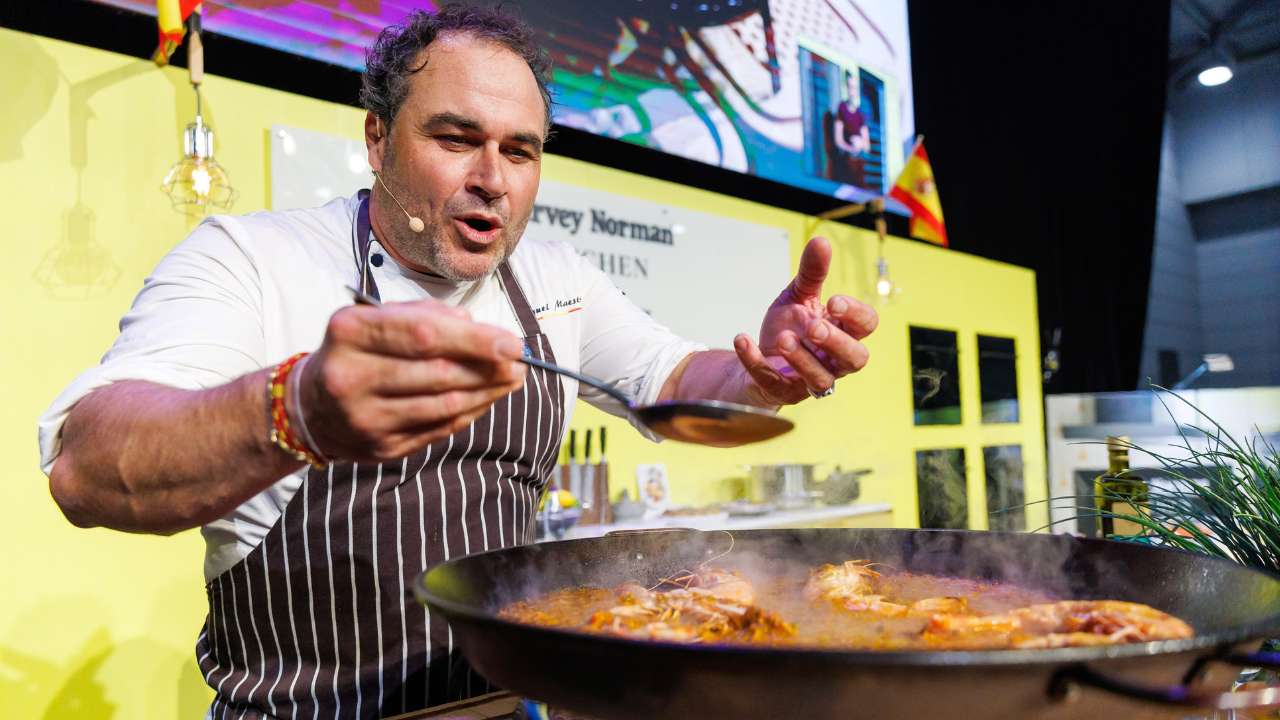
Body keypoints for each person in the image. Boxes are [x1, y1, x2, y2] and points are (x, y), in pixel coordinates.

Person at [38, 5, 878, 718]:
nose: (493, 180)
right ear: (376, 136)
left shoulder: (554, 280)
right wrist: (297, 411)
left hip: (501, 707)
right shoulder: (250, 260)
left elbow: (677, 383)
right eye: (456, 138)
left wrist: (766, 370)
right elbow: (89, 464)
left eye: (520, 151)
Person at [831, 70, 871, 187]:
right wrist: (850, 148)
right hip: (844, 165)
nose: (852, 91)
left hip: (858, 167)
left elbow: (867, 145)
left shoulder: (860, 114)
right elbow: (838, 140)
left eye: (854, 88)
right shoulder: (842, 108)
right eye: (850, 87)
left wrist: (859, 144)